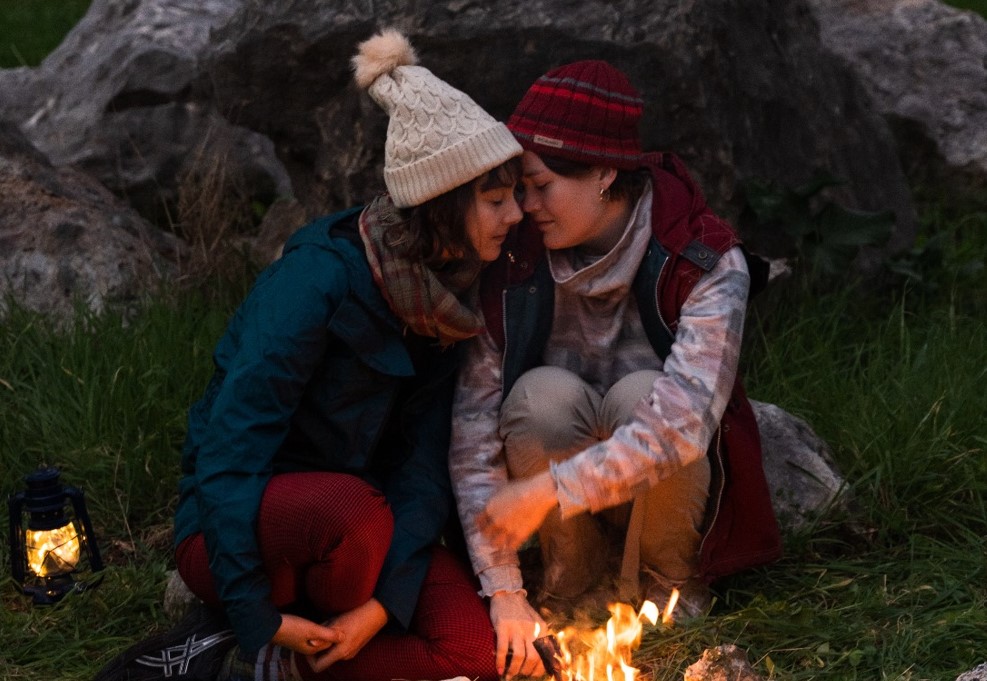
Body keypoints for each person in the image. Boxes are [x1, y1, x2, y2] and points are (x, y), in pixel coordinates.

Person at [94, 29, 522, 681]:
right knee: (351, 513)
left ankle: (272, 667)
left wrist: (381, 607)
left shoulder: (449, 296)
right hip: (243, 527)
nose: (516, 214)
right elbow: (230, 453)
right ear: (442, 204)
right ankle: (250, 630)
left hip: (361, 541)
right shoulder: (315, 280)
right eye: (495, 200)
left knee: (475, 650)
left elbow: (421, 468)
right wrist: (252, 609)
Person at [449, 59, 782, 679]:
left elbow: (681, 425)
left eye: (540, 185)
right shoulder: (512, 260)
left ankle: (667, 586)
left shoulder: (703, 261)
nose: (523, 207)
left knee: (642, 395)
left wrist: (549, 490)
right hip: (561, 510)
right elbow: (472, 427)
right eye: (518, 188)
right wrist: (504, 589)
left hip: (662, 496)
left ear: (604, 174)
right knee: (540, 397)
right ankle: (570, 584)